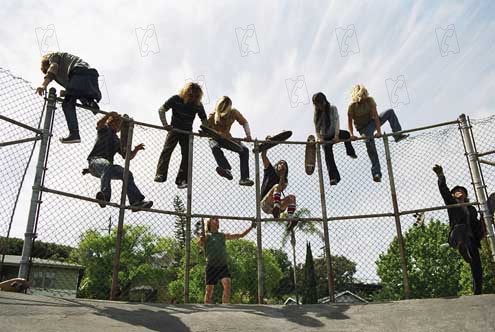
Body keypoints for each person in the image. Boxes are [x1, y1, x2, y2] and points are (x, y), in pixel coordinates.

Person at [433, 164, 484, 295]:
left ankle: (477, 291)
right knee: (460, 228)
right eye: (456, 190)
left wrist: (484, 220)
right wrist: (440, 176)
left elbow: (476, 226)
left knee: (476, 265)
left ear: (465, 194)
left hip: (470, 240)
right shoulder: (452, 204)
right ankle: (461, 247)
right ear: (453, 195)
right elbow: (444, 190)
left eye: (461, 190)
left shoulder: (471, 209)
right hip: (455, 236)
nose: (459, 191)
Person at [87, 112, 153, 211]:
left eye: (119, 126)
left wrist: (135, 150)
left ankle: (136, 202)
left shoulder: (117, 141)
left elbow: (127, 157)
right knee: (106, 165)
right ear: (111, 122)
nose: (118, 127)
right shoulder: (105, 129)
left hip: (107, 168)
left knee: (127, 173)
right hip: (95, 162)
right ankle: (105, 196)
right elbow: (99, 124)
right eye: (116, 124)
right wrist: (109, 115)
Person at [347, 84, 409, 182]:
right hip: (363, 129)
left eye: (364, 95)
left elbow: (376, 116)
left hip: (372, 122)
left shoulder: (370, 101)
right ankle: (376, 173)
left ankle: (397, 135)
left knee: (390, 112)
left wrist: (379, 132)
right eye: (361, 96)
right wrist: (351, 134)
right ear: (357, 96)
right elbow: (350, 122)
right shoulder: (352, 106)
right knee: (371, 146)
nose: (363, 98)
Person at [36, 52, 102, 143]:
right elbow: (73, 87)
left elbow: (53, 67)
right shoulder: (65, 68)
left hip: (79, 72)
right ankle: (90, 102)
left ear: (46, 64)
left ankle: (74, 134)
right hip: (90, 76)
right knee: (75, 93)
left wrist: (43, 85)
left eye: (46, 69)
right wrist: (66, 92)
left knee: (67, 104)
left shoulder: (53, 57)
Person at [155, 82, 207, 189]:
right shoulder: (176, 99)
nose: (193, 98)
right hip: (174, 129)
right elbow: (161, 110)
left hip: (187, 132)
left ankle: (182, 180)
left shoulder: (197, 104)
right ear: (186, 93)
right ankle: (160, 174)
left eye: (196, 96)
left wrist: (204, 131)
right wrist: (165, 125)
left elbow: (204, 120)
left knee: (187, 155)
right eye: (191, 95)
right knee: (167, 150)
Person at [197, 217, 254, 304]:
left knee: (227, 284)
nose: (217, 220)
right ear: (209, 223)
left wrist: (251, 227)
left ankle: (225, 307)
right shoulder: (207, 236)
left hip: (222, 265)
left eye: (217, 220)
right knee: (209, 290)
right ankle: (207, 310)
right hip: (211, 265)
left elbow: (240, 235)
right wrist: (201, 240)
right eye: (214, 219)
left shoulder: (222, 235)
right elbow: (199, 244)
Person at [207, 96, 254, 186]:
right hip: (214, 138)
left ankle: (244, 178)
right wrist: (213, 133)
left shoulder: (234, 112)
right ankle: (225, 169)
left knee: (245, 150)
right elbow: (205, 128)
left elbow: (244, 122)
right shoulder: (212, 115)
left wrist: (248, 135)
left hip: (227, 138)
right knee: (214, 145)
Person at [313, 92, 357, 185]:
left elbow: (337, 122)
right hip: (325, 137)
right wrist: (320, 138)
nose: (319, 107)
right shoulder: (317, 114)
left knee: (346, 134)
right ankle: (334, 178)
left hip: (334, 133)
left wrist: (336, 136)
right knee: (328, 155)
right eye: (317, 105)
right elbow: (317, 129)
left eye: (319, 104)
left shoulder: (332, 109)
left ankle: (350, 152)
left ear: (324, 102)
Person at [260, 142, 297, 221]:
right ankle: (276, 208)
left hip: (277, 206)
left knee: (292, 198)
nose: (282, 165)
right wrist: (267, 143)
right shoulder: (270, 170)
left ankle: (290, 219)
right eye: (280, 163)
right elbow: (263, 155)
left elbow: (281, 187)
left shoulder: (285, 180)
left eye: (284, 164)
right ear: (276, 165)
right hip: (265, 203)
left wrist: (282, 175)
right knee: (276, 186)